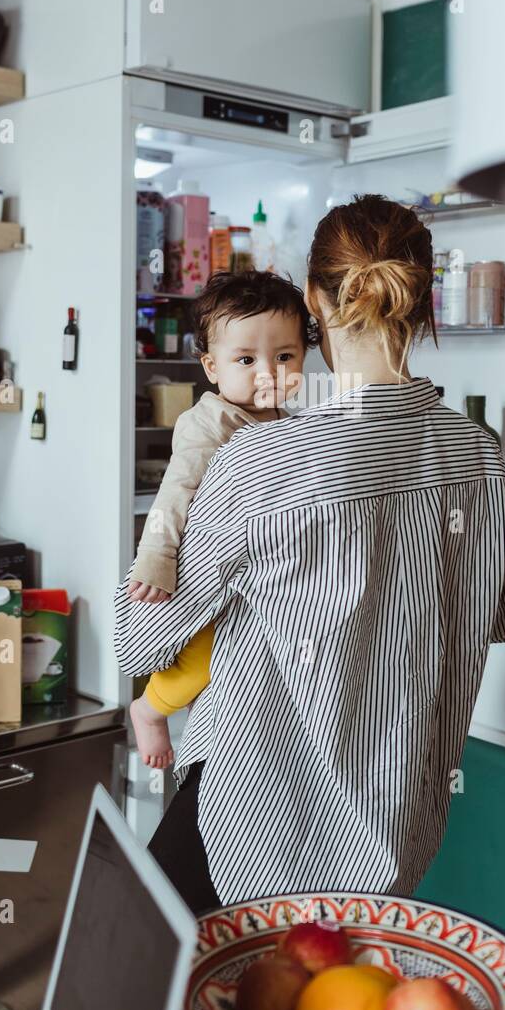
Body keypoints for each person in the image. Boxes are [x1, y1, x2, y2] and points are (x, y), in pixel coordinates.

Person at [113, 194, 505, 915]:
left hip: (249, 827)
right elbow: (498, 612)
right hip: (391, 839)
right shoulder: (476, 455)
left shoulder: (258, 458)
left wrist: (177, 521)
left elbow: (137, 638)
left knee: (147, 983)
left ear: (314, 302)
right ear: (424, 301)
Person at [128, 271, 317, 771]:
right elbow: (175, 493)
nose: (267, 373)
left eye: (284, 356)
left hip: (257, 573)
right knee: (202, 660)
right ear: (212, 367)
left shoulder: (290, 422)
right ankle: (148, 709)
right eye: (246, 359)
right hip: (202, 576)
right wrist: (155, 556)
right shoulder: (209, 423)